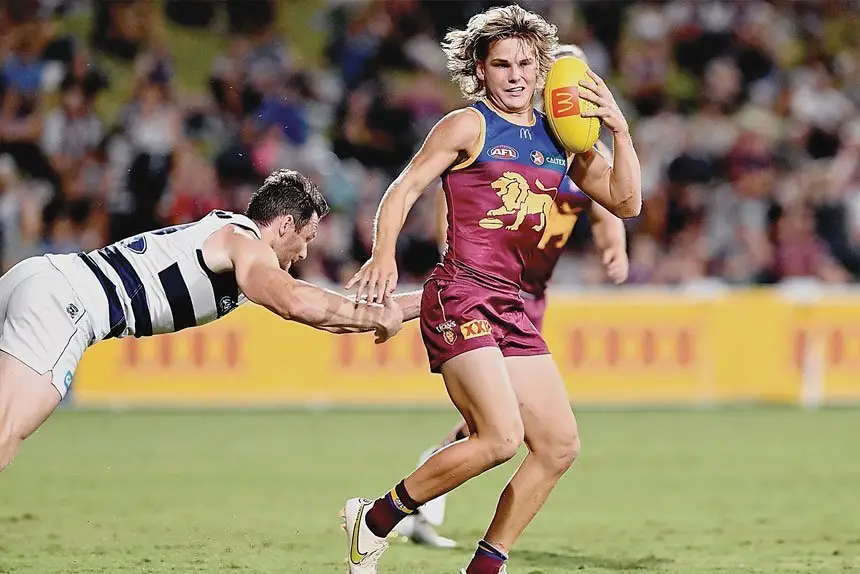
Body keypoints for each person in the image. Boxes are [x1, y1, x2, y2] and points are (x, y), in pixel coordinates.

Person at [341, 5, 642, 574]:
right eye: (502, 64)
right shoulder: (468, 126)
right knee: (500, 438)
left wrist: (620, 131)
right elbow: (403, 190)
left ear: (541, 68)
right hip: (461, 292)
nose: (516, 75)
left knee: (557, 446)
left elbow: (626, 203)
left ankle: (483, 567)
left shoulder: (564, 138)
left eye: (526, 63)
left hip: (514, 302)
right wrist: (383, 253)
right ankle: (376, 518)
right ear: (481, 70)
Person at [0, 169, 417, 472]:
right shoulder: (245, 244)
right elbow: (296, 302)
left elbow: (330, 320)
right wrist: (378, 316)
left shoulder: (229, 238)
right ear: (286, 225)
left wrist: (423, 303)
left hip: (39, 276)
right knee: (6, 433)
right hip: (65, 306)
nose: (305, 254)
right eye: (306, 239)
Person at [396, 43, 629, 549]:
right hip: (478, 290)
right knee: (498, 428)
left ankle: (436, 514)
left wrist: (616, 241)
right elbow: (449, 206)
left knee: (531, 433)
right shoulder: (490, 135)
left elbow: (614, 202)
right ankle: (413, 504)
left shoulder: (570, 144)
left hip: (526, 297)